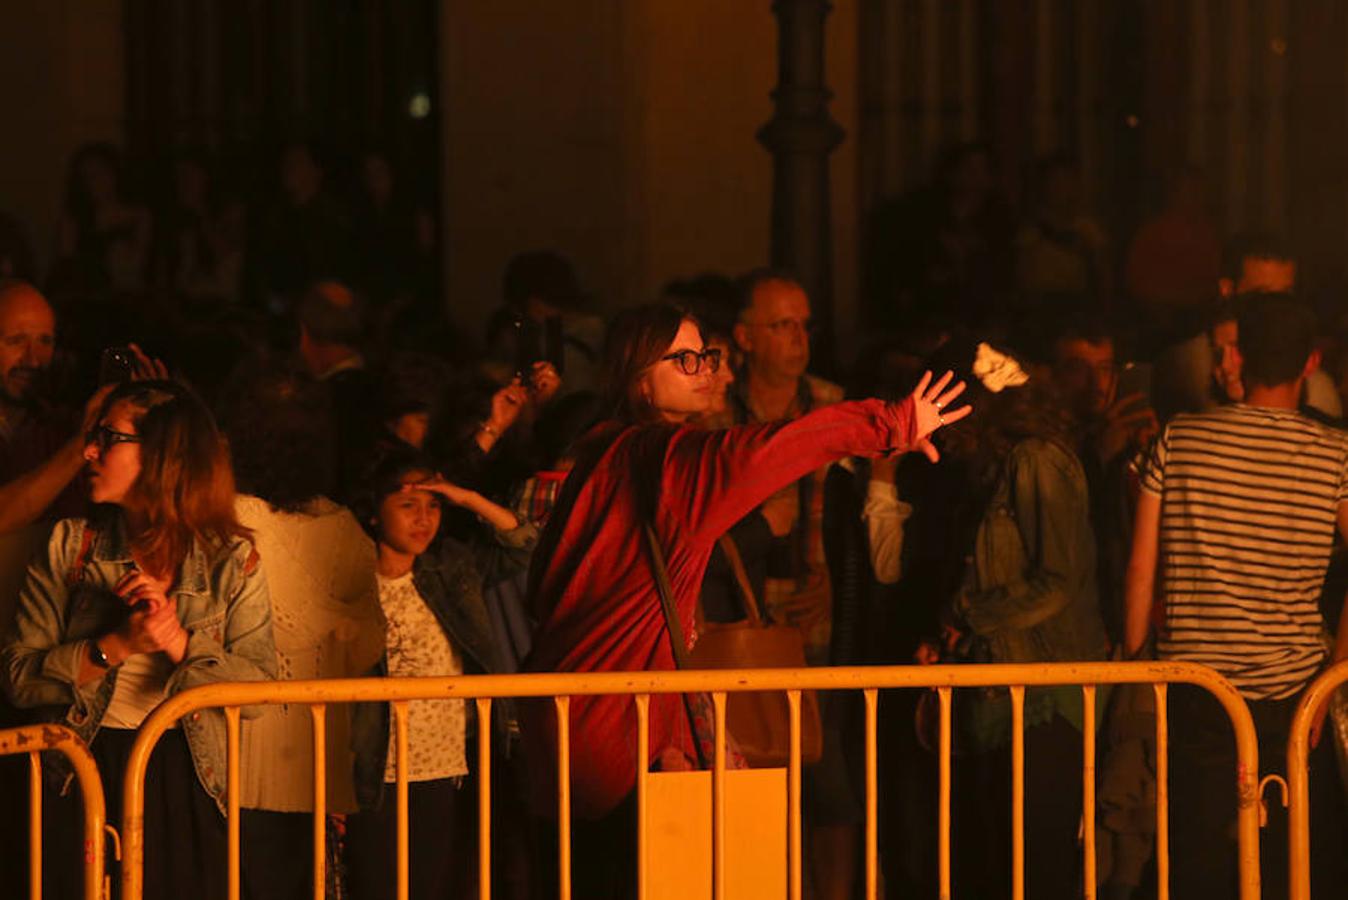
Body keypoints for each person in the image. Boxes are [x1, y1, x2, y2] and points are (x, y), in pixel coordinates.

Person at [520, 302, 969, 898]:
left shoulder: (600, 452)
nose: (706, 370)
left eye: (705, 356)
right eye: (684, 360)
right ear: (638, 379)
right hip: (626, 730)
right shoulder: (671, 459)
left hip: (561, 721)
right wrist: (888, 422)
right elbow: (767, 452)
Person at [0, 379, 277, 900]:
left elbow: (261, 691)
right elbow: (17, 678)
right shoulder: (70, 546)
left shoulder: (231, 560)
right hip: (81, 765)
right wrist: (117, 645)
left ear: (161, 455)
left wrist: (179, 643)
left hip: (187, 770)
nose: (89, 452)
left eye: (108, 438)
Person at [1124, 294, 1348, 899]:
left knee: (1195, 861)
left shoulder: (1180, 439)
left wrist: (1134, 663)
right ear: (1310, 363)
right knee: (1288, 864)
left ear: (1238, 355)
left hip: (1195, 687)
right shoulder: (1335, 454)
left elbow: (1141, 569)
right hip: (1294, 694)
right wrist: (1334, 674)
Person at [930, 340, 1109, 900]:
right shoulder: (996, 467)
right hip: (1007, 692)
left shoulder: (1036, 460)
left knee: (1034, 871)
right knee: (1001, 868)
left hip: (1046, 693)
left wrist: (965, 615)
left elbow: (1057, 580)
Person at [217, 361, 385, 900]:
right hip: (318, 759)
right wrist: (340, 627)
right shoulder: (345, 529)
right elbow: (367, 643)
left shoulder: (231, 521)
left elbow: (284, 628)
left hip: (244, 760)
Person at [346, 448, 535, 900]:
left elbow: (523, 543)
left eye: (433, 506)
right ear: (374, 513)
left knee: (434, 884)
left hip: (444, 762)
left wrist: (467, 498)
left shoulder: (450, 567)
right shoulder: (348, 579)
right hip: (376, 768)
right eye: (407, 504)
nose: (423, 518)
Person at [53, 142, 152, 295]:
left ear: (115, 173)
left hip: (127, 296)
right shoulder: (74, 222)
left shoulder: (138, 216)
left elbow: (141, 266)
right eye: (88, 177)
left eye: (101, 173)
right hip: (85, 297)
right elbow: (67, 269)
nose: (95, 182)